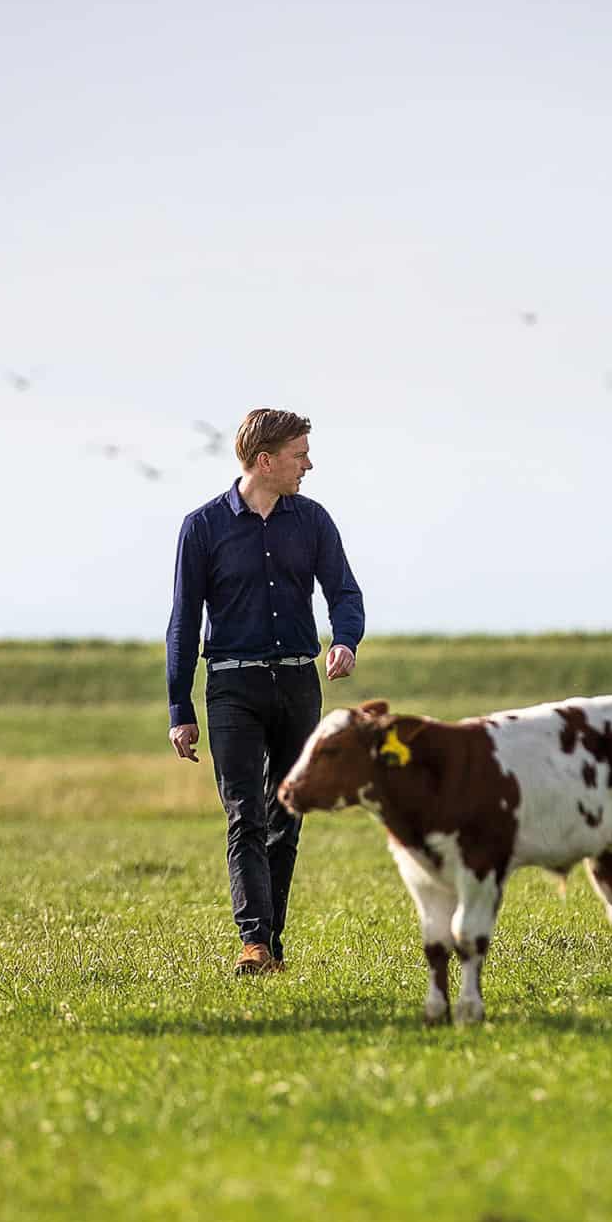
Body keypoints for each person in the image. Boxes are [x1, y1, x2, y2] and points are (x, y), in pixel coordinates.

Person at [166, 409, 364, 976]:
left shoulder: (313, 521)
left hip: (300, 683)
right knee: (244, 814)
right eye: (300, 454)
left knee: (287, 812)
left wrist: (345, 640)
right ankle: (254, 942)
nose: (309, 464)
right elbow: (183, 622)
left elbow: (344, 592)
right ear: (265, 460)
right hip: (232, 684)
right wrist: (181, 709)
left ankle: (269, 944)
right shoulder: (202, 527)